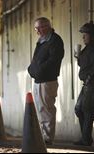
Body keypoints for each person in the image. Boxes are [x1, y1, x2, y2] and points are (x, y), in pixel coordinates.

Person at [27, 17, 64, 145]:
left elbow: (54, 60)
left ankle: (47, 138)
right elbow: (36, 59)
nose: (37, 30)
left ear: (46, 26)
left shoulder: (55, 40)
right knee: (40, 109)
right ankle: (42, 136)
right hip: (38, 79)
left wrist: (39, 70)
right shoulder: (42, 40)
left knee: (47, 109)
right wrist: (31, 69)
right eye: (36, 28)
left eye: (39, 28)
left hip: (48, 80)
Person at [73, 22, 94, 146]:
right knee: (79, 110)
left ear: (92, 35)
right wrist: (79, 57)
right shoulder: (89, 48)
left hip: (92, 85)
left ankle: (86, 140)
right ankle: (86, 138)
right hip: (87, 85)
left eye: (85, 34)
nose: (83, 37)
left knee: (86, 111)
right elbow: (86, 65)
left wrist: (89, 77)